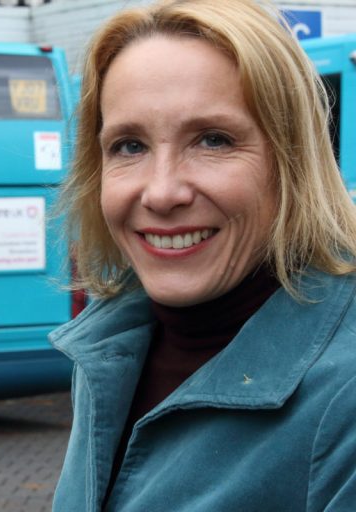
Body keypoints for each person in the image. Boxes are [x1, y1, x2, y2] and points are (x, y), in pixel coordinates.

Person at [50, 0, 356, 510]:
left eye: (213, 140)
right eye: (129, 146)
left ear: (292, 162)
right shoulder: (112, 345)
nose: (161, 192)